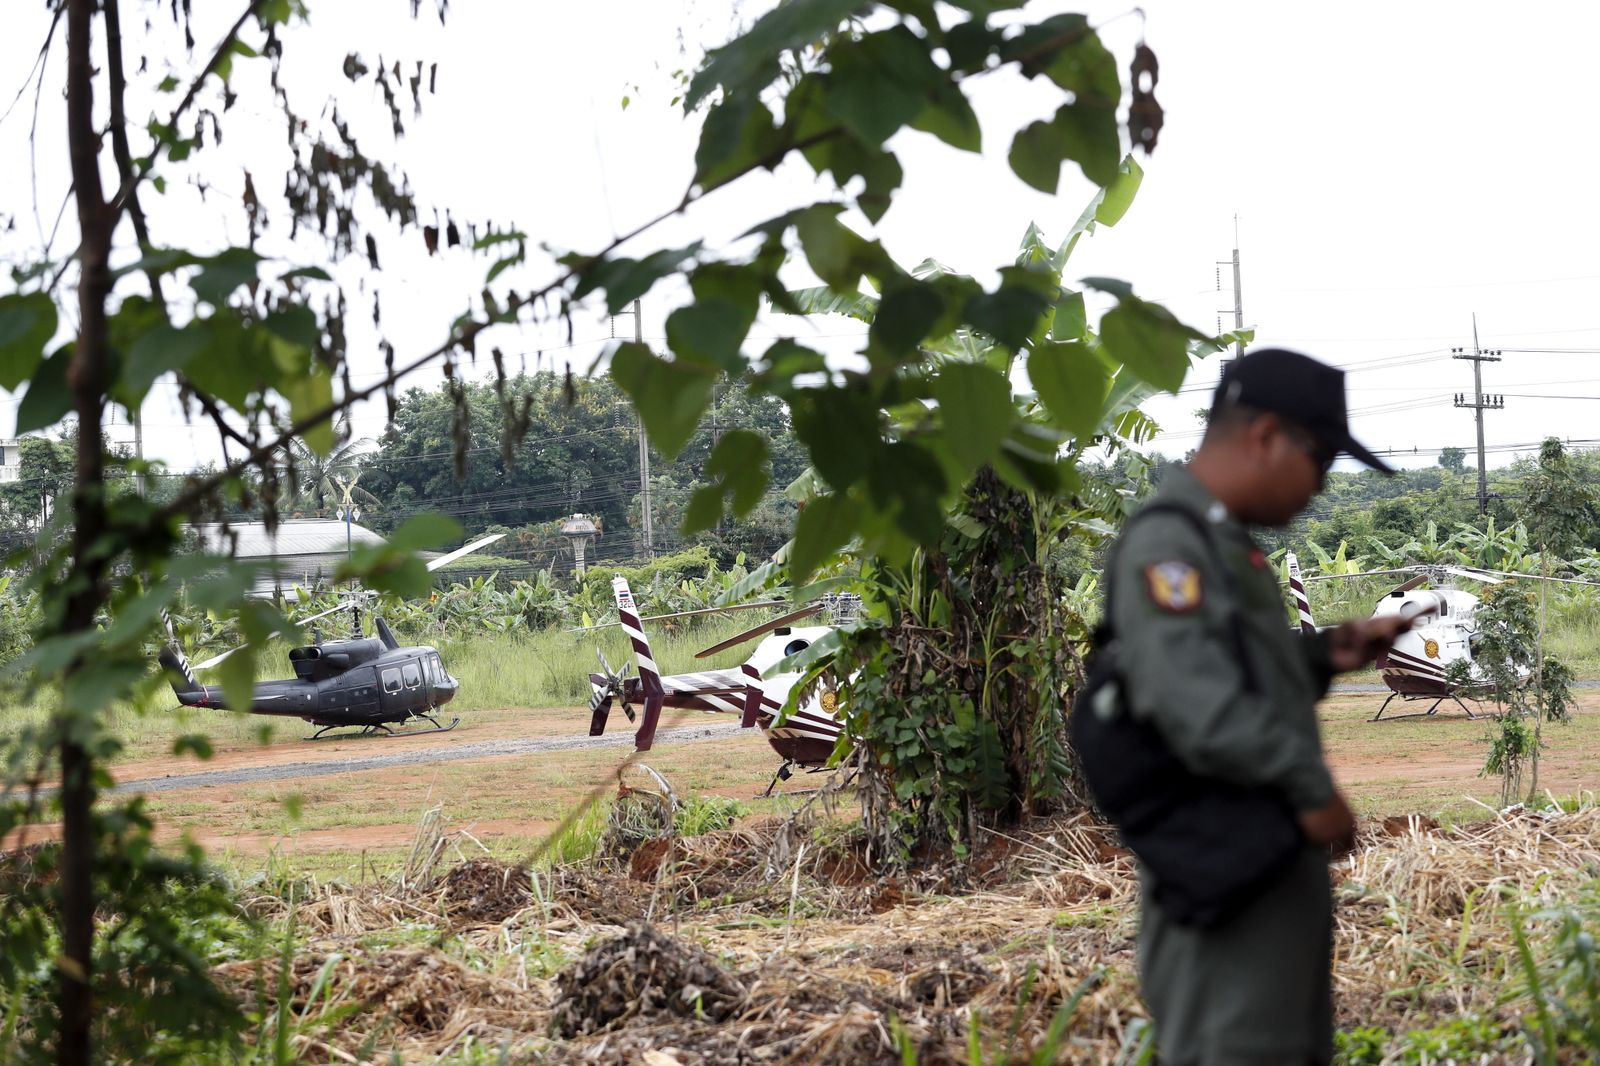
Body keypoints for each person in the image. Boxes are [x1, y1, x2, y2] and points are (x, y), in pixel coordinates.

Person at [1107, 348, 1410, 1065]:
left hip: (1260, 864)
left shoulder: (1217, 539)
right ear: (1266, 434)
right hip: (1228, 874)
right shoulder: (1171, 543)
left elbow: (1230, 669)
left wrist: (1325, 653)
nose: (1320, 487)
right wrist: (1310, 790)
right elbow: (1195, 700)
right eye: (1322, 460)